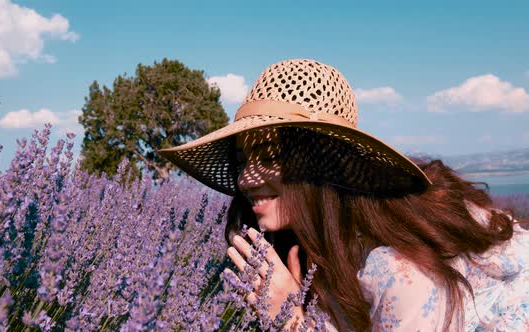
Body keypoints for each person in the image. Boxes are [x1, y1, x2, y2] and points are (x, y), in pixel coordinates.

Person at [159, 59, 529, 331]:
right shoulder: (310, 247)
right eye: (242, 160)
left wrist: (289, 322)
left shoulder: (399, 272)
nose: (245, 178)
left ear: (322, 166)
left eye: (270, 157)